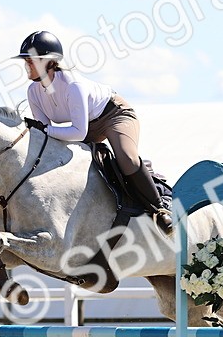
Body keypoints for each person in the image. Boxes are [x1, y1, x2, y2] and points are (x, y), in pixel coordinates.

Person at [15, 30, 173, 233]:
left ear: (50, 62)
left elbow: (78, 133)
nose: (27, 66)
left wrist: (44, 129)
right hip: (86, 125)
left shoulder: (73, 86)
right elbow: (46, 134)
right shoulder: (33, 92)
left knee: (126, 158)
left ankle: (160, 208)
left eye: (32, 61)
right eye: (26, 61)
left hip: (114, 115)